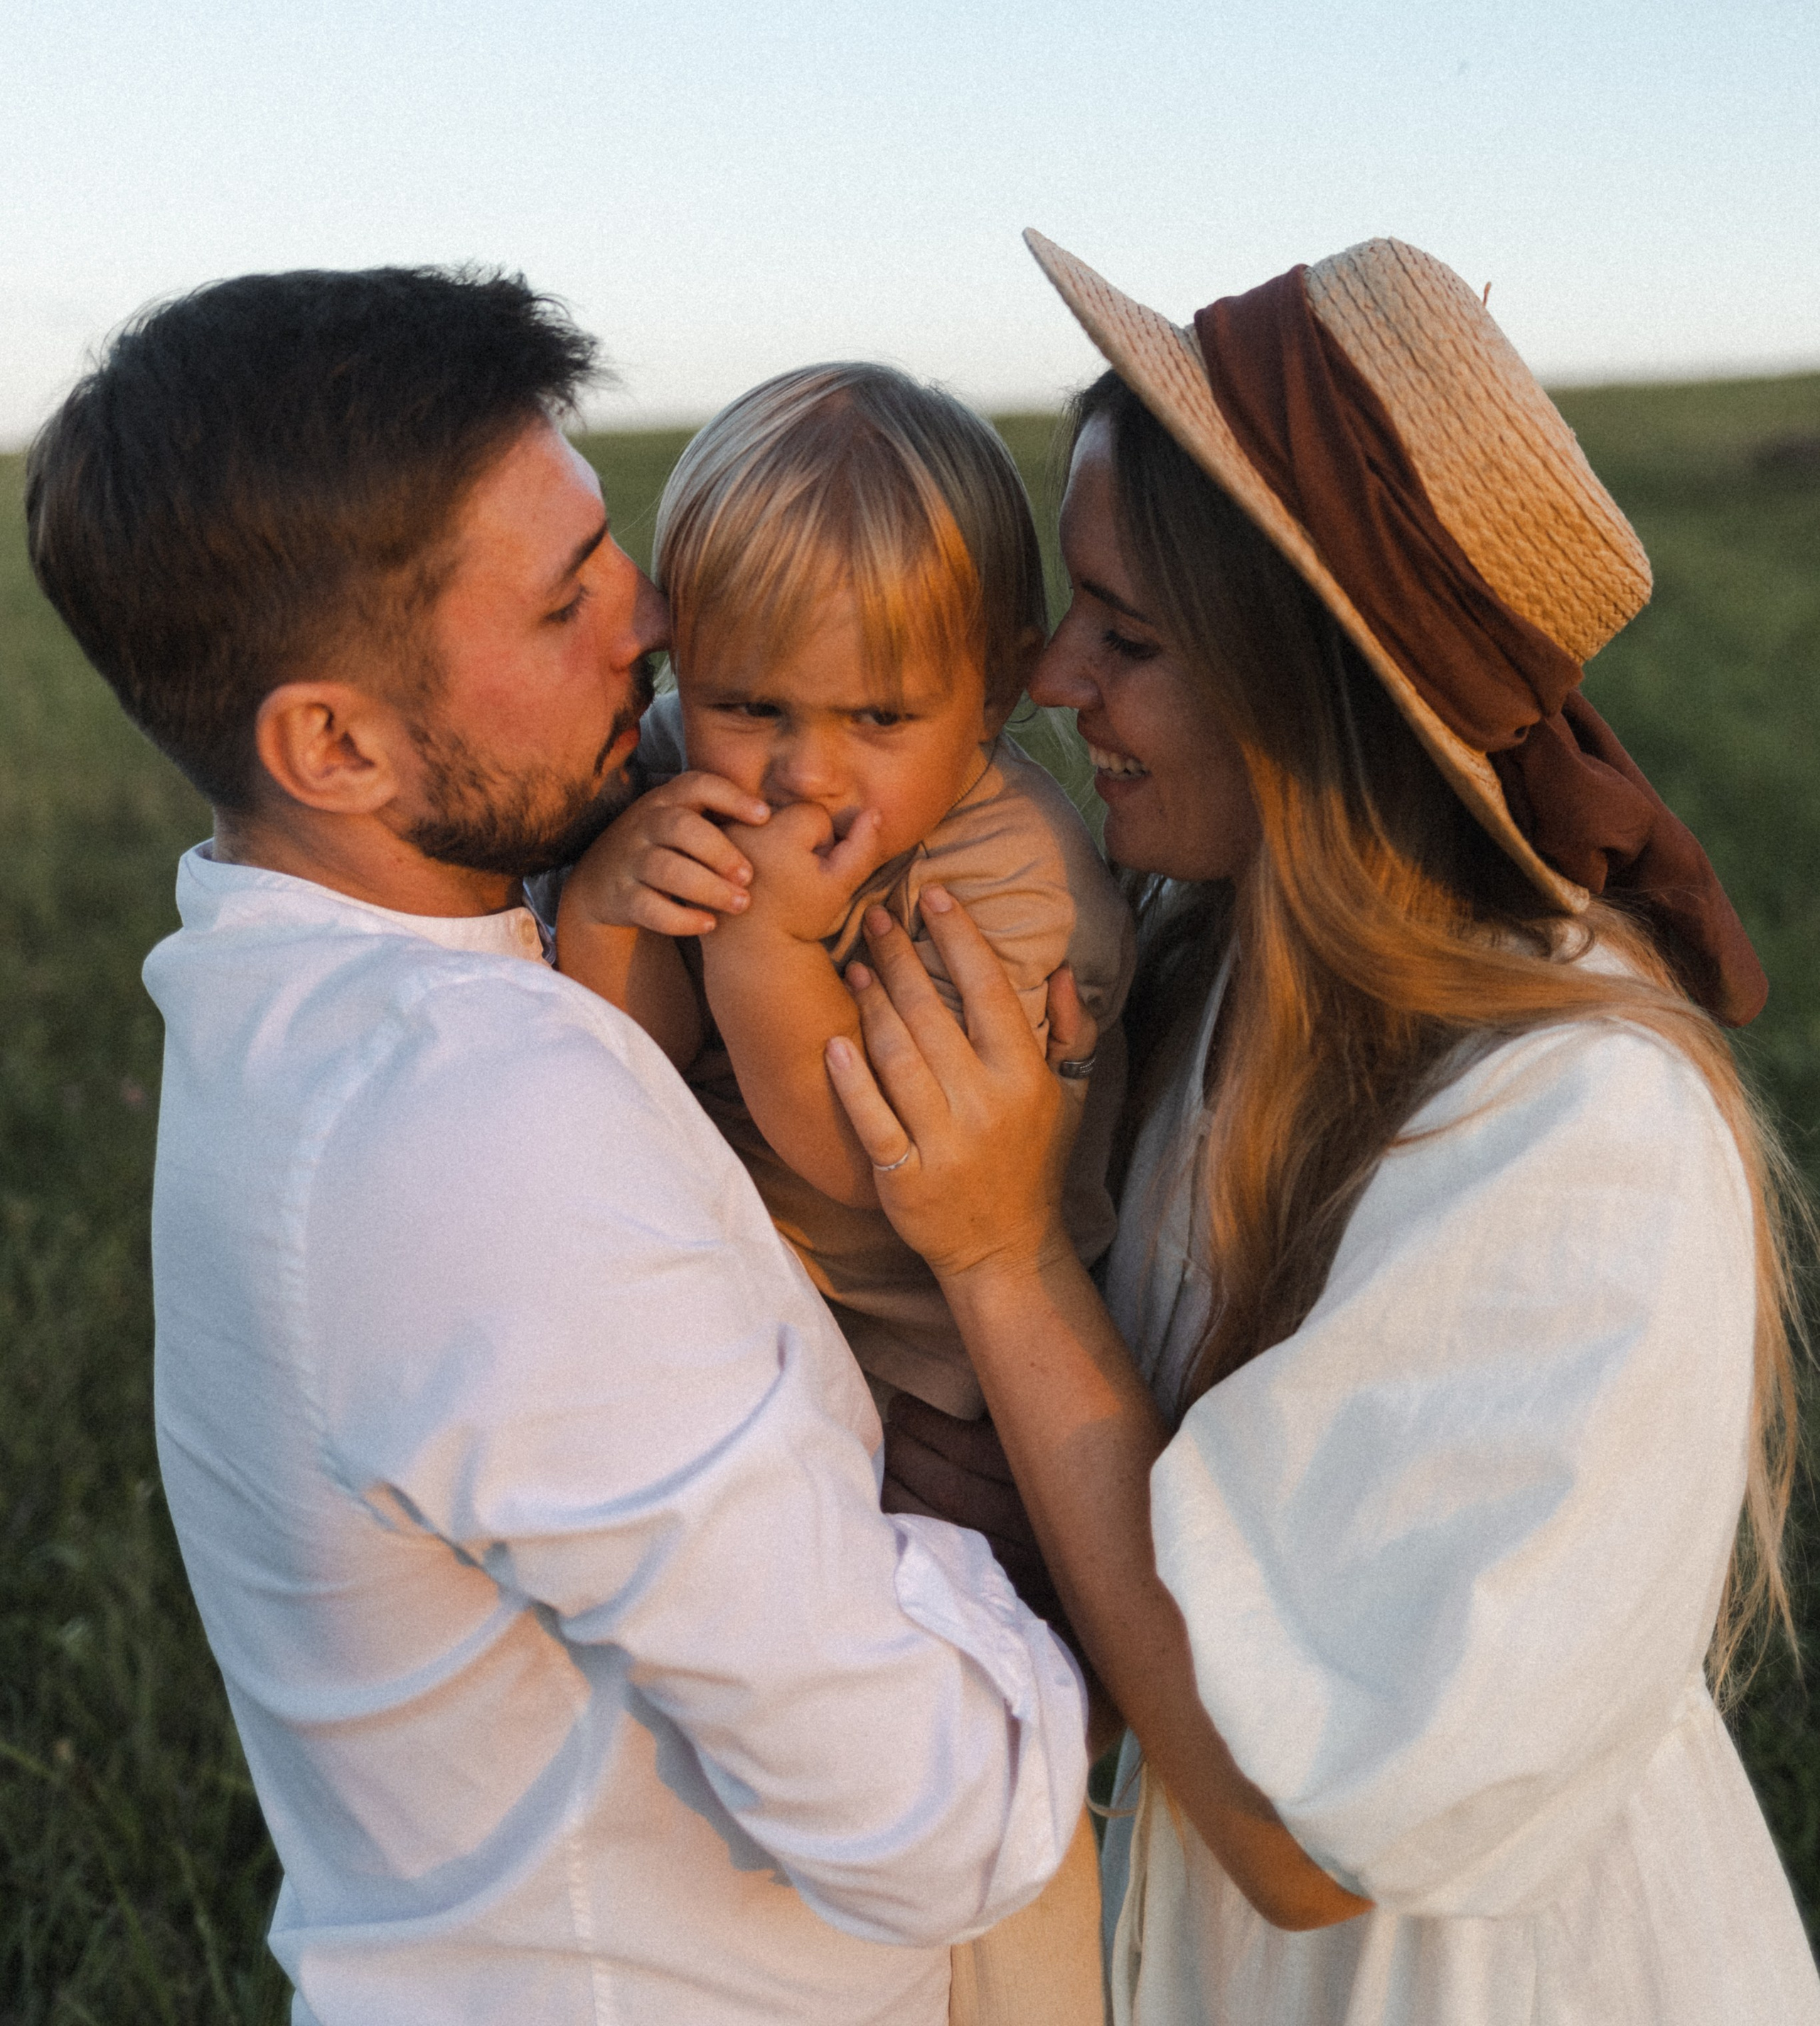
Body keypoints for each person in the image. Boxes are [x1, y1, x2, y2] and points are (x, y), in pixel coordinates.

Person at [22, 267, 1090, 2026]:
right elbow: (939, 1821)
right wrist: (1020, 1564)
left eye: (611, 548)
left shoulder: (287, 993)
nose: (656, 620)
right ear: (337, 744)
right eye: (561, 603)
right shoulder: (476, 1133)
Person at [823, 231, 1820, 2024]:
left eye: (1125, 634)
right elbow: (1170, 1538)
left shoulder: (1574, 1127)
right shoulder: (1210, 979)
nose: (1053, 679)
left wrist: (996, 1256)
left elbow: (1298, 1835)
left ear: (1310, 690)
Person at [555, 362, 1136, 2026]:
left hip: (949, 1411)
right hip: (777, 1369)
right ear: (686, 664)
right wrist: (607, 917)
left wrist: (755, 940)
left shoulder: (1004, 878)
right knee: (755, 1811)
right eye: (750, 707)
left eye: (878, 720)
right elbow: (633, 1085)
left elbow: (856, 1145)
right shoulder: (695, 766)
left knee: (982, 1820)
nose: (809, 771)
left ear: (995, 689)